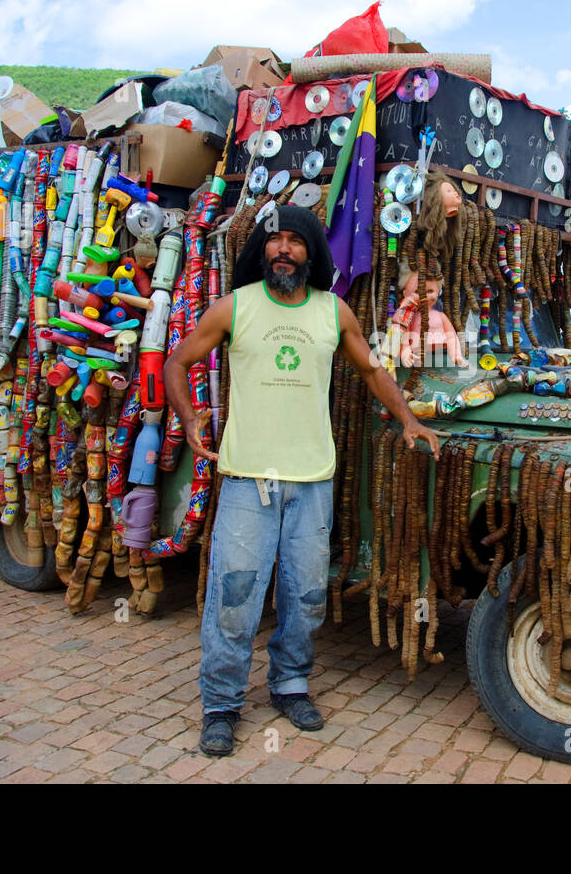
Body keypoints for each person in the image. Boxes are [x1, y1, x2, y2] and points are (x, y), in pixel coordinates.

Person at [164, 205, 441, 757]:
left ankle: (290, 684)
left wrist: (409, 420)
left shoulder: (332, 312)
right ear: (263, 252)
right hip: (247, 480)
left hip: (312, 480)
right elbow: (178, 361)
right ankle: (220, 702)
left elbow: (372, 370)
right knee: (235, 594)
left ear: (311, 255)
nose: (283, 249)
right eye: (276, 241)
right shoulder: (234, 307)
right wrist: (189, 417)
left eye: (296, 241)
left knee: (306, 594)